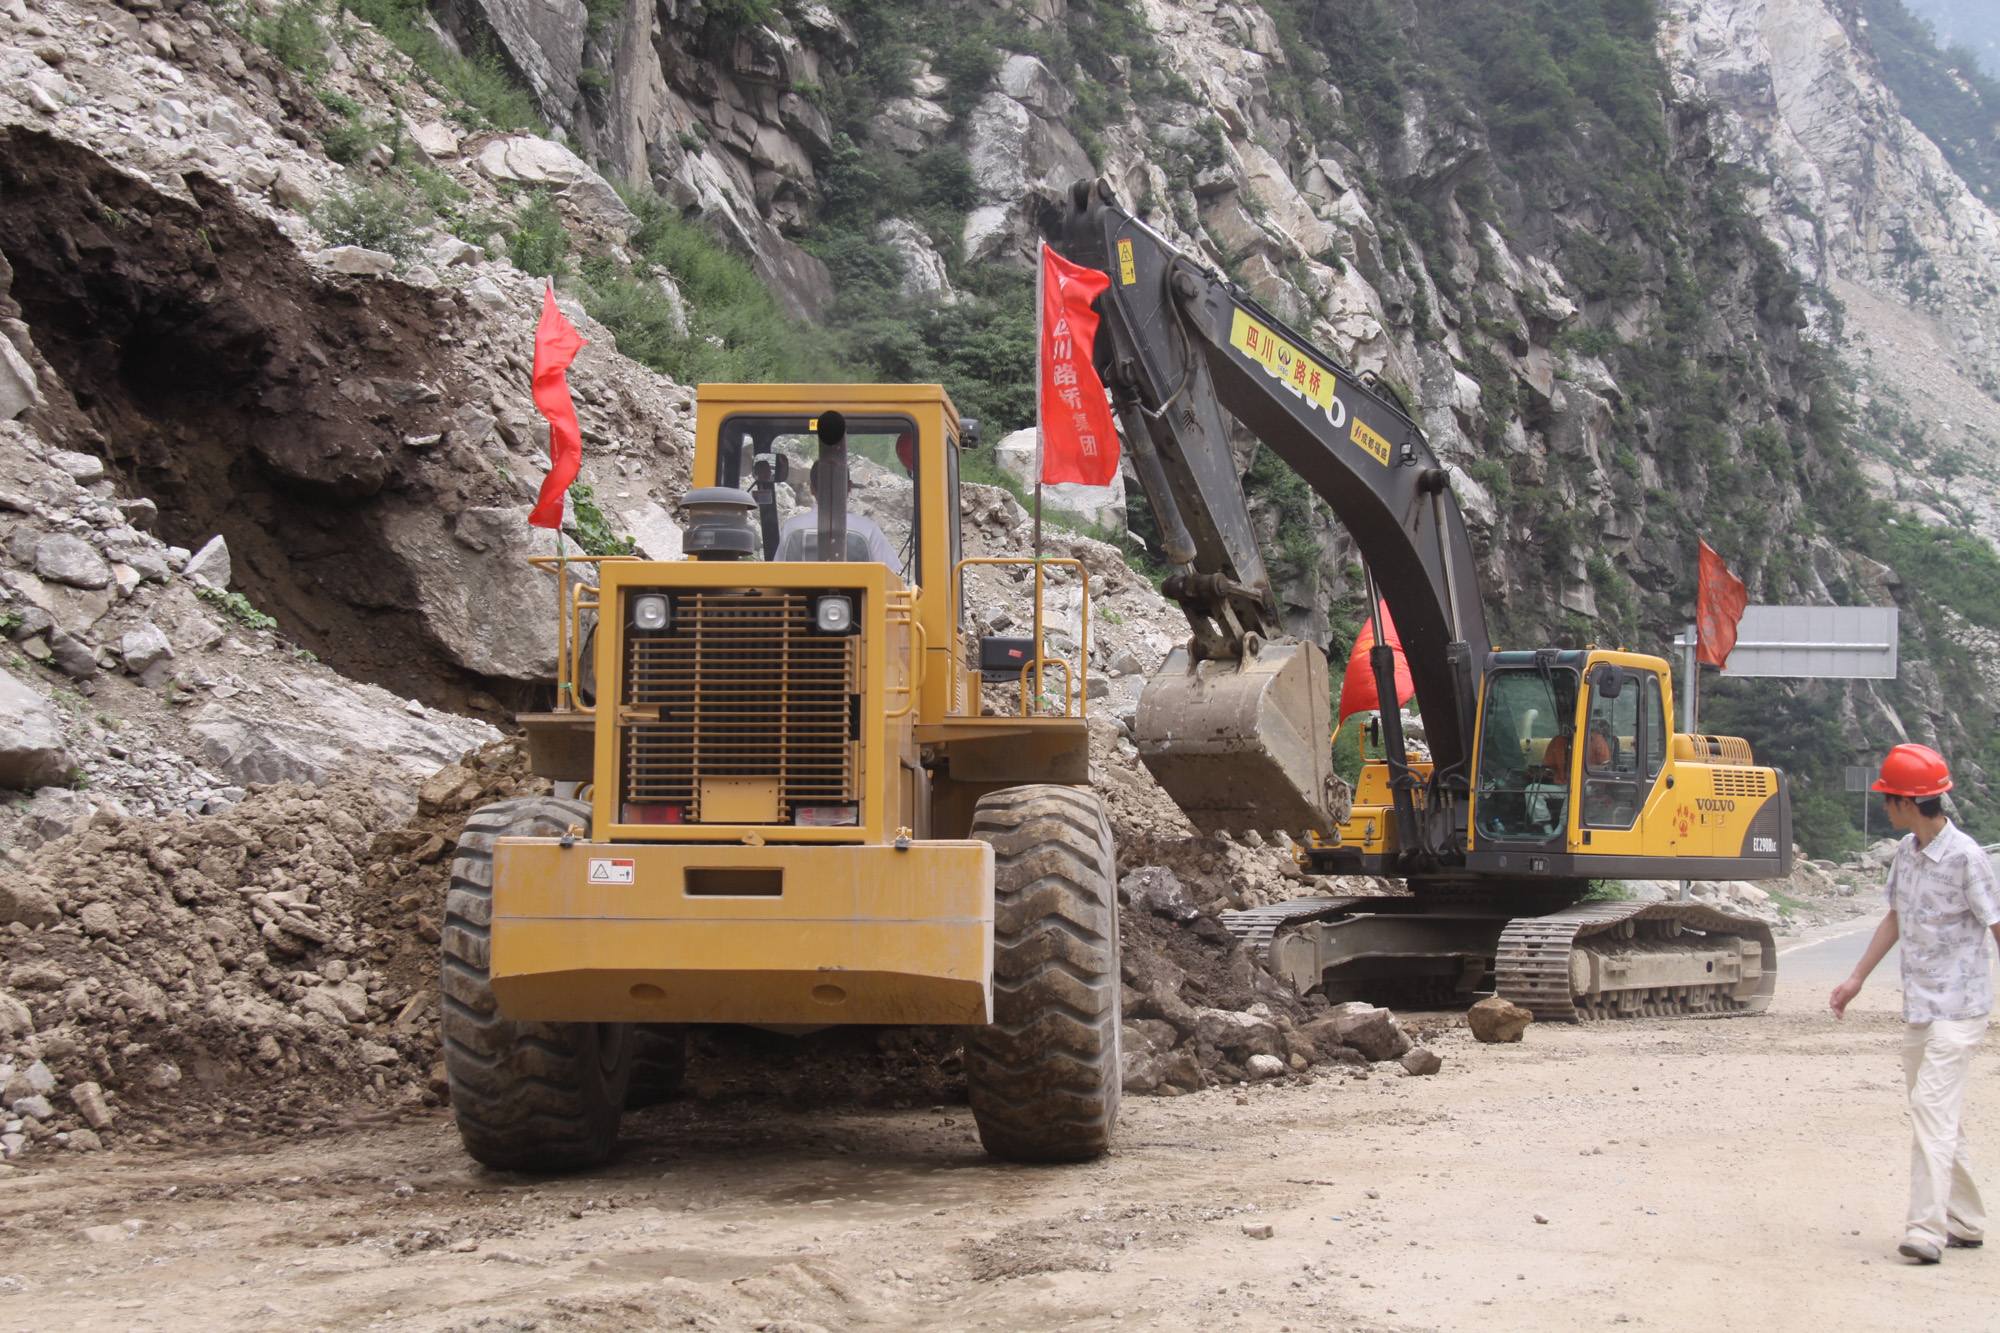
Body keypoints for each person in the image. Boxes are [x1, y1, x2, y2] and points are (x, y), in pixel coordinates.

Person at [1829, 743, 2000, 1264]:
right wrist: (1856, 978)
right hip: (1920, 1008)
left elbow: (1996, 925)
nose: (1884, 807)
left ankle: (1926, 1230)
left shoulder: (1968, 857)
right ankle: (1967, 1220)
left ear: (1908, 801)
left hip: (1962, 1008)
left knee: (1931, 1107)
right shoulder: (1906, 853)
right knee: (1939, 1115)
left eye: (1889, 799)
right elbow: (1895, 918)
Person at [774, 459, 900, 569]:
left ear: (812, 488)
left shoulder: (791, 527)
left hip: (800, 597)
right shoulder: (869, 530)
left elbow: (777, 575)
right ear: (849, 487)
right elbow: (892, 581)